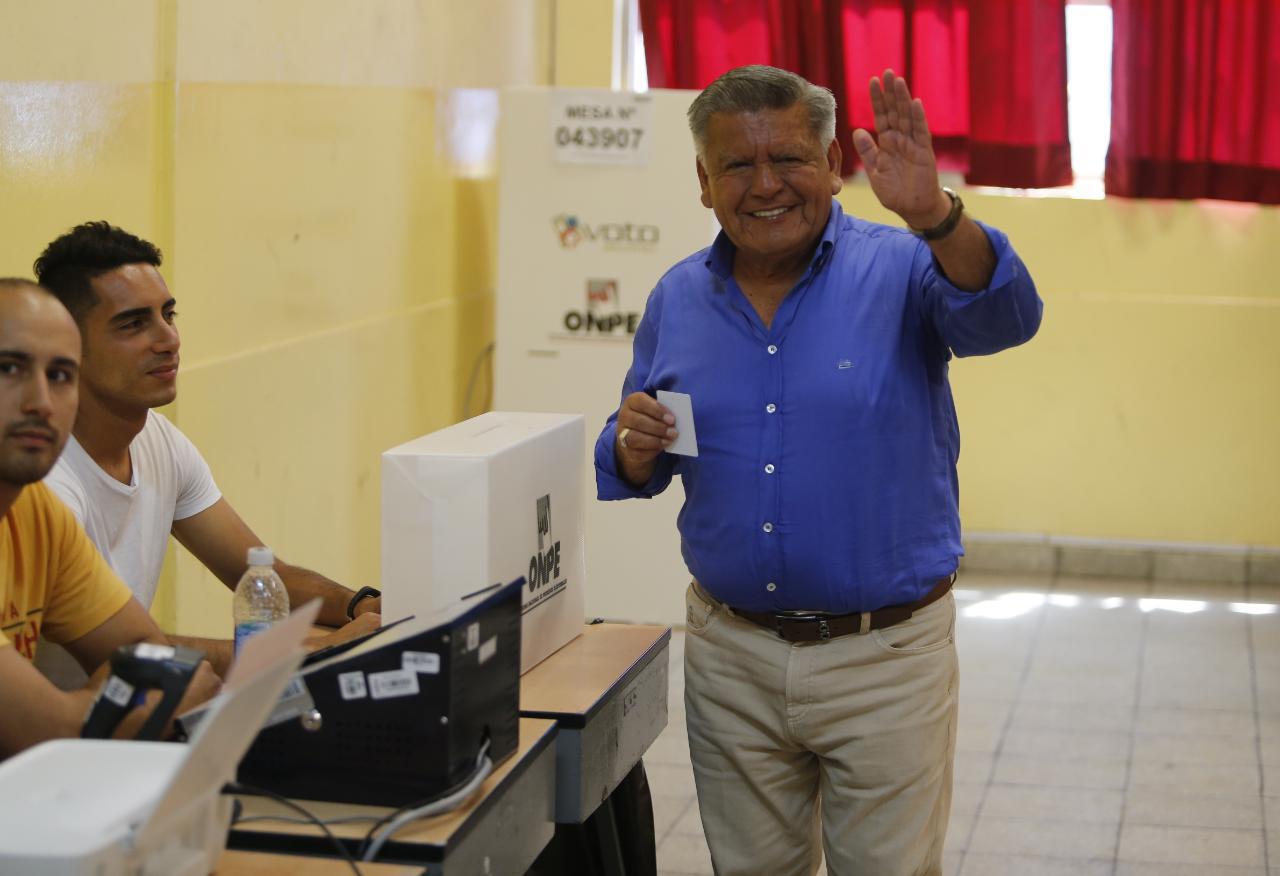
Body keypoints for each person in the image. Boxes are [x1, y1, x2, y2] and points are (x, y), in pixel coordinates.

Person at [594, 66, 1042, 875]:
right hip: (732, 659)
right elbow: (642, 445)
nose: (766, 185)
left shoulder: (905, 269)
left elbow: (1007, 316)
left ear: (834, 163)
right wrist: (628, 448)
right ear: (704, 182)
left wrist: (936, 218)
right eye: (737, 165)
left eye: (791, 159)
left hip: (886, 661)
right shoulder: (677, 300)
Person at [31, 222, 381, 688]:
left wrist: (365, 605)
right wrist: (312, 649)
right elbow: (126, 652)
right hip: (66, 741)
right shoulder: (46, 483)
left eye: (168, 315)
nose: (168, 339)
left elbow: (262, 573)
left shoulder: (158, 439)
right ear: (67, 348)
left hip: (127, 712)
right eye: (134, 324)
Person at [0, 278, 221, 758]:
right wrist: (91, 713)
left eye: (60, 375)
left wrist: (85, 714)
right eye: (9, 368)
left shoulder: (35, 513)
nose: (40, 402)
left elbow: (161, 660)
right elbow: (51, 732)